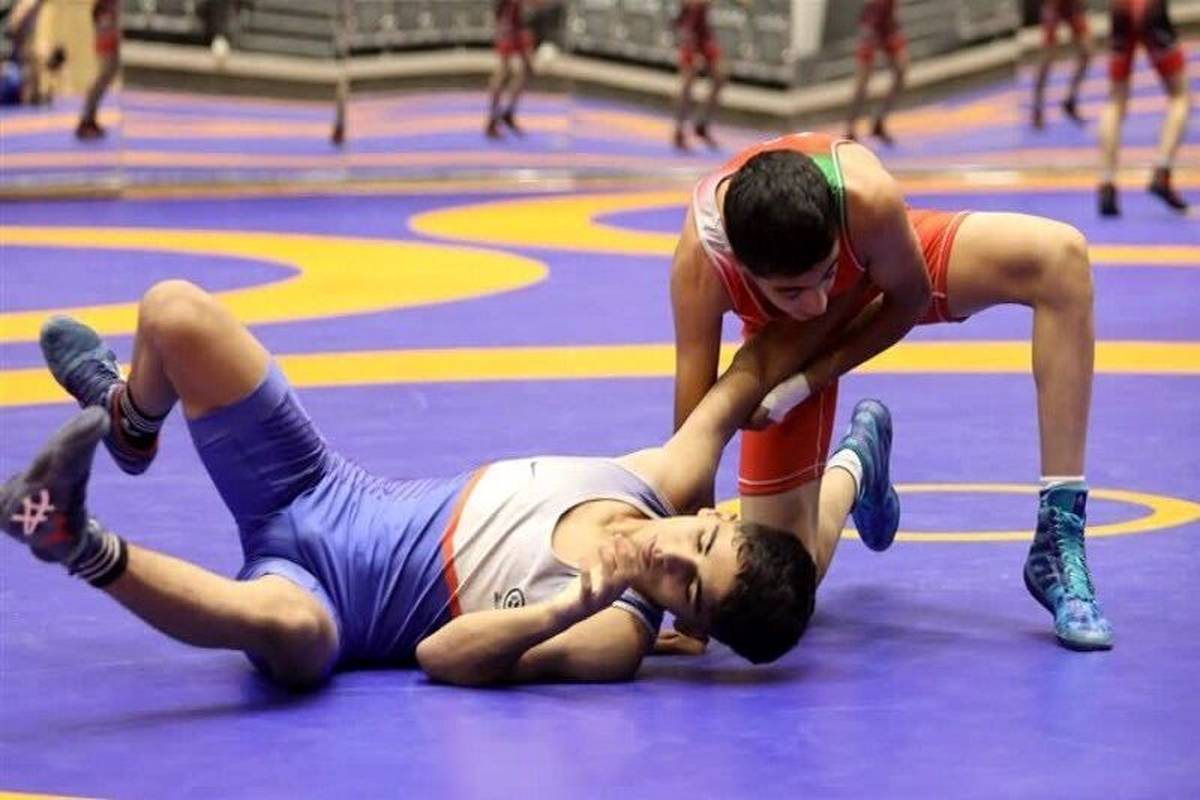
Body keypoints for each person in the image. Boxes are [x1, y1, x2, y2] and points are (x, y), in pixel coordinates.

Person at [2, 278, 891, 687]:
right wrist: (864, 280)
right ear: (716, 514)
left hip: (328, 605)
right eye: (696, 543)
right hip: (323, 488)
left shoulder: (612, 636)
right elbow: (751, 369)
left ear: (685, 621)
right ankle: (133, 421)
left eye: (685, 588)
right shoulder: (663, 478)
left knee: (292, 634)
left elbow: (439, 658)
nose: (668, 557)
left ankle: (70, 537)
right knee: (175, 312)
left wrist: (566, 609)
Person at [669, 131, 1113, 652]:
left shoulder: (866, 200)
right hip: (777, 342)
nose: (816, 304)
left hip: (875, 272)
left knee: (1060, 256)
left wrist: (807, 379)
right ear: (744, 269)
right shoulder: (702, 265)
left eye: (824, 275)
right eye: (792, 291)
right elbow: (692, 440)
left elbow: (910, 296)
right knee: (788, 584)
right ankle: (856, 466)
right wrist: (691, 621)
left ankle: (1059, 536)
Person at [1097, 0, 1190, 215]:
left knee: (1115, 100)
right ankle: (1162, 170)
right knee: (1179, 95)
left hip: (1119, 8)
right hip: (1149, 8)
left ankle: (1106, 183)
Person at [673, 0, 735, 151]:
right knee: (688, 82)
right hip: (689, 31)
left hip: (703, 33)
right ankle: (679, 130)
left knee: (720, 77)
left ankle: (702, 124)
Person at [845, 0, 906, 145]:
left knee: (900, 72)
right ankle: (850, 128)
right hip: (872, 21)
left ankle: (879, 120)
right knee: (862, 83)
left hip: (887, 24)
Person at [1031, 0, 1092, 129]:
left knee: (1086, 52)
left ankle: (1070, 101)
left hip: (1072, 5)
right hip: (1054, 4)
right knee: (1047, 57)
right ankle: (1037, 107)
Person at [485, 0, 535, 138]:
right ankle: (493, 119)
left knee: (526, 70)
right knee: (503, 72)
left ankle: (507, 113)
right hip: (509, 23)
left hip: (516, 23)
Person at [76, 0, 120, 140]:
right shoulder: (104, 8)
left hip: (110, 25)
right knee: (103, 76)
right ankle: (86, 120)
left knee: (106, 76)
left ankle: (90, 118)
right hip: (107, 26)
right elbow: (99, 11)